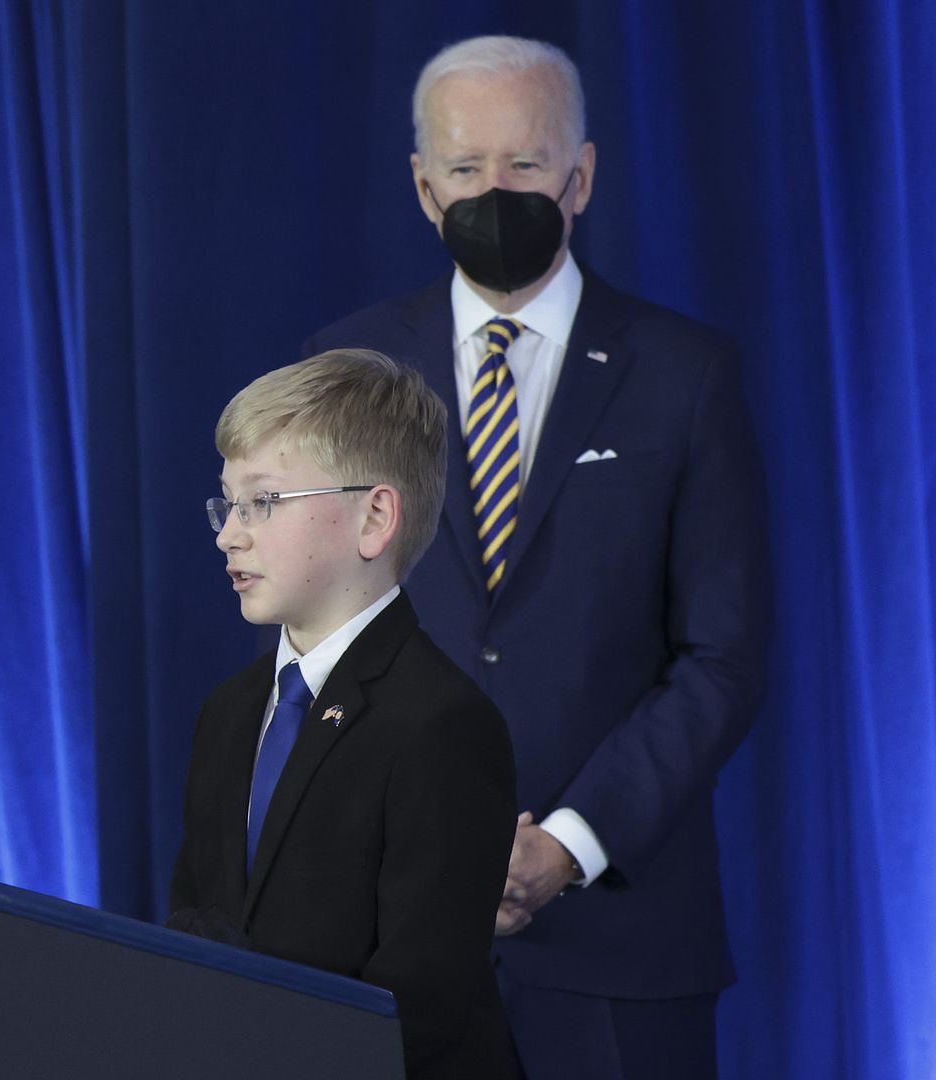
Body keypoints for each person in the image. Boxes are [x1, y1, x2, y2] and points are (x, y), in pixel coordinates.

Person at [301, 35, 772, 1080]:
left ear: (581, 176)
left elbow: (723, 658)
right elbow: (312, 641)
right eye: (466, 168)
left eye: (523, 164)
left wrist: (568, 843)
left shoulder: (685, 374)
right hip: (389, 948)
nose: (495, 193)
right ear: (424, 187)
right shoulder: (346, 374)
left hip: (618, 952)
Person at [167, 350, 518, 1079]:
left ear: (375, 518)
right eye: (228, 503)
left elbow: (418, 1001)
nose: (229, 534)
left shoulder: (442, 725)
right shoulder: (228, 711)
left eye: (263, 501)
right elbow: (194, 927)